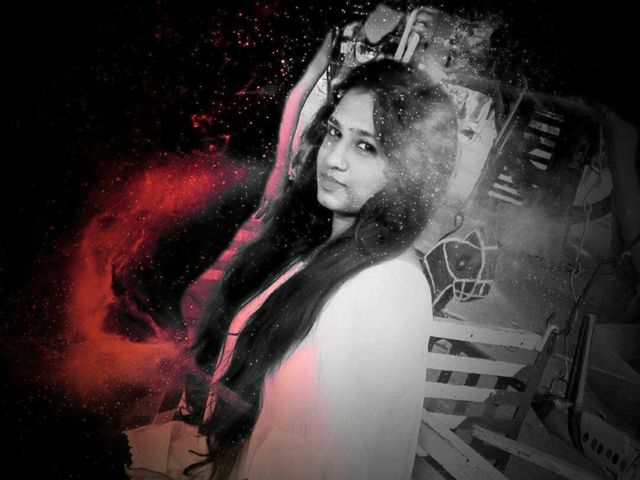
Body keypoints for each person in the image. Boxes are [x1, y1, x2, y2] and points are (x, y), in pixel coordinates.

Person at [125, 58, 458, 480]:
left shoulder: (387, 286)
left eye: (366, 146)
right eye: (334, 132)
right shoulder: (321, 245)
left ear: (412, 171)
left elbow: (346, 464)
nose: (333, 158)